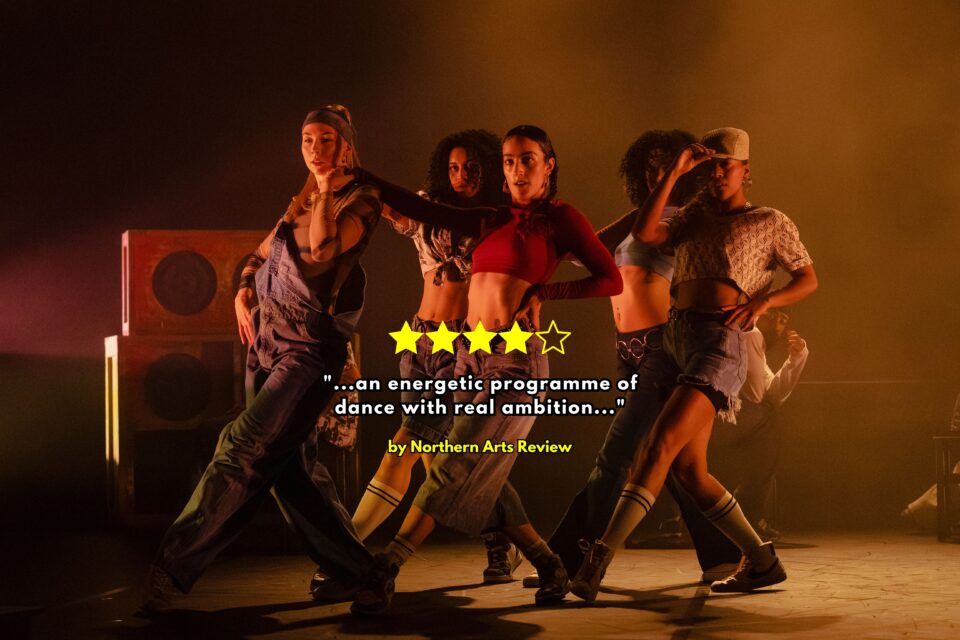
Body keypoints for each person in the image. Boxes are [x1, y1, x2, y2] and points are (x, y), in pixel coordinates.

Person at [350, 124, 623, 614]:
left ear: (548, 164)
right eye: (510, 161)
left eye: (528, 159)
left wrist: (546, 293)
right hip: (465, 359)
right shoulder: (491, 217)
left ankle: (385, 565)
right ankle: (547, 562)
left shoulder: (560, 218)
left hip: (514, 363)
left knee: (452, 467)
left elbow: (610, 278)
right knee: (477, 472)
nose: (518, 169)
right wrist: (363, 175)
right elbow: (424, 210)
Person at [139, 105, 382, 614]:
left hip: (309, 355)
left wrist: (323, 187)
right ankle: (361, 574)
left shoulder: (361, 199)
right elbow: (260, 254)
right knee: (290, 472)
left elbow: (322, 249)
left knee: (241, 446)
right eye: (307, 140)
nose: (315, 149)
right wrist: (243, 289)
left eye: (327, 140)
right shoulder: (297, 203)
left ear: (346, 145)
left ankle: (170, 569)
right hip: (267, 346)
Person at [570, 127, 817, 600]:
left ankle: (595, 561)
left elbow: (807, 277)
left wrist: (765, 304)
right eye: (712, 165)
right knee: (689, 471)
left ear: (747, 170)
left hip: (720, 341)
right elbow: (644, 232)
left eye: (728, 164)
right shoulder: (691, 217)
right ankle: (762, 561)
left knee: (656, 446)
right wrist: (678, 172)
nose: (719, 172)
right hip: (676, 337)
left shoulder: (769, 220)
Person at [310, 130, 524, 601]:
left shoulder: (498, 216)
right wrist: (341, 165)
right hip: (420, 340)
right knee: (443, 460)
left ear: (489, 169)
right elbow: (388, 204)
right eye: (453, 167)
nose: (461, 176)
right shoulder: (428, 204)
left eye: (471, 168)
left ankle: (348, 557)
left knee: (407, 450)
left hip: (467, 347)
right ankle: (505, 541)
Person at [535, 130, 741, 589]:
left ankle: (570, 560)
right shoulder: (641, 217)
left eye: (666, 164)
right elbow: (575, 255)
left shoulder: (689, 219)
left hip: (659, 347)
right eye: (648, 166)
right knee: (670, 461)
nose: (655, 173)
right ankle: (725, 553)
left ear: (689, 168)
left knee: (617, 456)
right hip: (625, 351)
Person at [709, 311, 809, 540]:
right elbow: (758, 396)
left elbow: (772, 393)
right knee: (768, 424)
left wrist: (797, 357)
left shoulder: (754, 340)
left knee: (763, 457)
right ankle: (744, 523)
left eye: (784, 321)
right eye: (775, 318)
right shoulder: (750, 335)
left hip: (740, 417)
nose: (780, 326)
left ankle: (745, 522)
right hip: (727, 416)